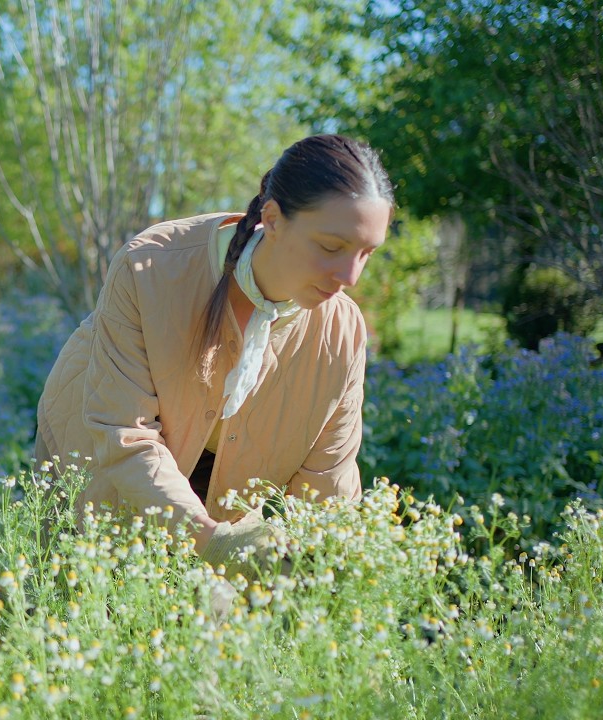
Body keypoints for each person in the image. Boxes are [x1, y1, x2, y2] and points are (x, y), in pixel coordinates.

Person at [34, 134, 395, 572]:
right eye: (332, 247)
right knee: (85, 612)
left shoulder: (342, 330)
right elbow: (124, 435)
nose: (350, 276)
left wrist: (324, 572)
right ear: (274, 219)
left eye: (366, 254)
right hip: (99, 470)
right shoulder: (151, 268)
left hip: (218, 505)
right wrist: (214, 544)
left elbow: (327, 482)